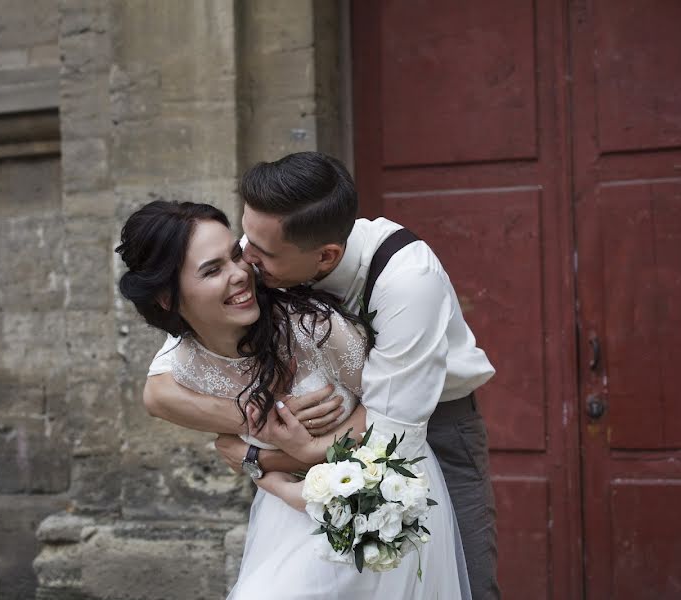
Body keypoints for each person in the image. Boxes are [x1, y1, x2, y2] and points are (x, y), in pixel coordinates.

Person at [144, 152, 499, 599]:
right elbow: (158, 390)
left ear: (325, 257)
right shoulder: (261, 267)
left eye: (258, 252)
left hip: (430, 429)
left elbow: (391, 442)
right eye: (242, 242)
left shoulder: (408, 280)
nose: (246, 262)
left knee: (468, 578)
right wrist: (258, 417)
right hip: (320, 459)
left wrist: (262, 460)